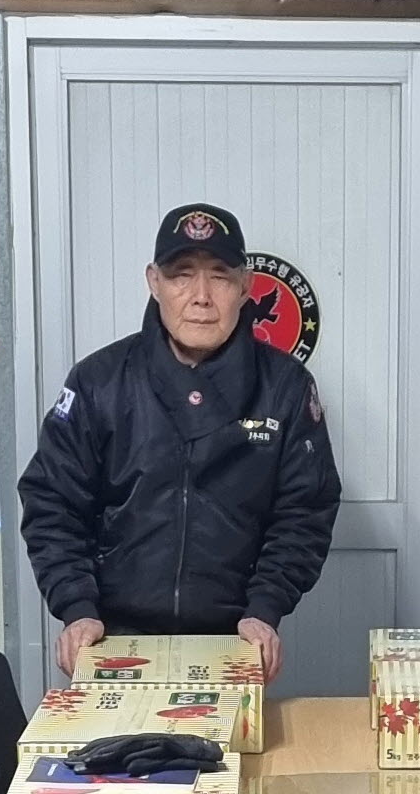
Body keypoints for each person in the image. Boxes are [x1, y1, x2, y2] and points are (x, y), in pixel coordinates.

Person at [17, 201, 342, 682]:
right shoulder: (99, 381)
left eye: (220, 276)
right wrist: (77, 607)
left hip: (234, 639)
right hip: (112, 637)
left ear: (246, 287)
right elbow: (52, 502)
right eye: (181, 275)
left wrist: (265, 608)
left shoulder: (285, 387)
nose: (201, 297)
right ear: (154, 282)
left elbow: (304, 512)